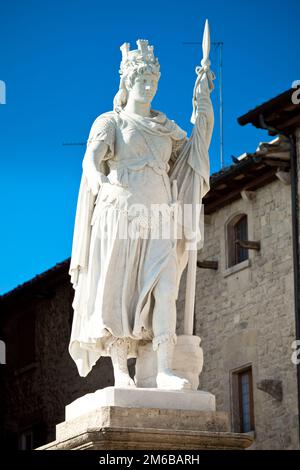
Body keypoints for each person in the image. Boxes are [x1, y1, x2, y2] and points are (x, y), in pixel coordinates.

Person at [69, 39, 213, 390]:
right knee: (120, 292)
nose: (148, 87)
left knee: (166, 290)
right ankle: (121, 370)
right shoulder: (110, 122)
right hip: (119, 212)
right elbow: (92, 157)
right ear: (128, 82)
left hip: (160, 215)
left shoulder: (166, 128)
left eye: (153, 81)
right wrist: (96, 178)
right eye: (142, 81)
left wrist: (203, 106)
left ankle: (164, 369)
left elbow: (193, 153)